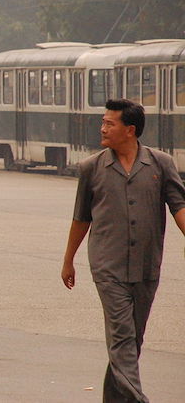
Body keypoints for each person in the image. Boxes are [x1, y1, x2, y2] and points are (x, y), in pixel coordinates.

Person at [62, 99, 185, 403]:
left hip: (146, 265)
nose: (102, 128)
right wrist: (68, 260)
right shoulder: (92, 167)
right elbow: (81, 217)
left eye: (109, 123)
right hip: (108, 266)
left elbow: (179, 207)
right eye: (103, 122)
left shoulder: (160, 164)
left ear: (130, 130)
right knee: (122, 337)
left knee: (132, 340)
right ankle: (138, 399)